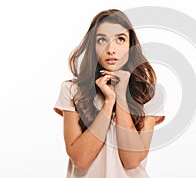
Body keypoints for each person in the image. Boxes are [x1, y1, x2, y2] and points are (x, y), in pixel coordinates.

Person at [53, 9, 165, 178]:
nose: (111, 49)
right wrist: (108, 102)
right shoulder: (72, 91)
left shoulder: (148, 94)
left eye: (120, 39)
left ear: (131, 45)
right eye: (102, 40)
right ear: (93, 46)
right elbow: (80, 160)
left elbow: (131, 160)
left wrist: (121, 96)